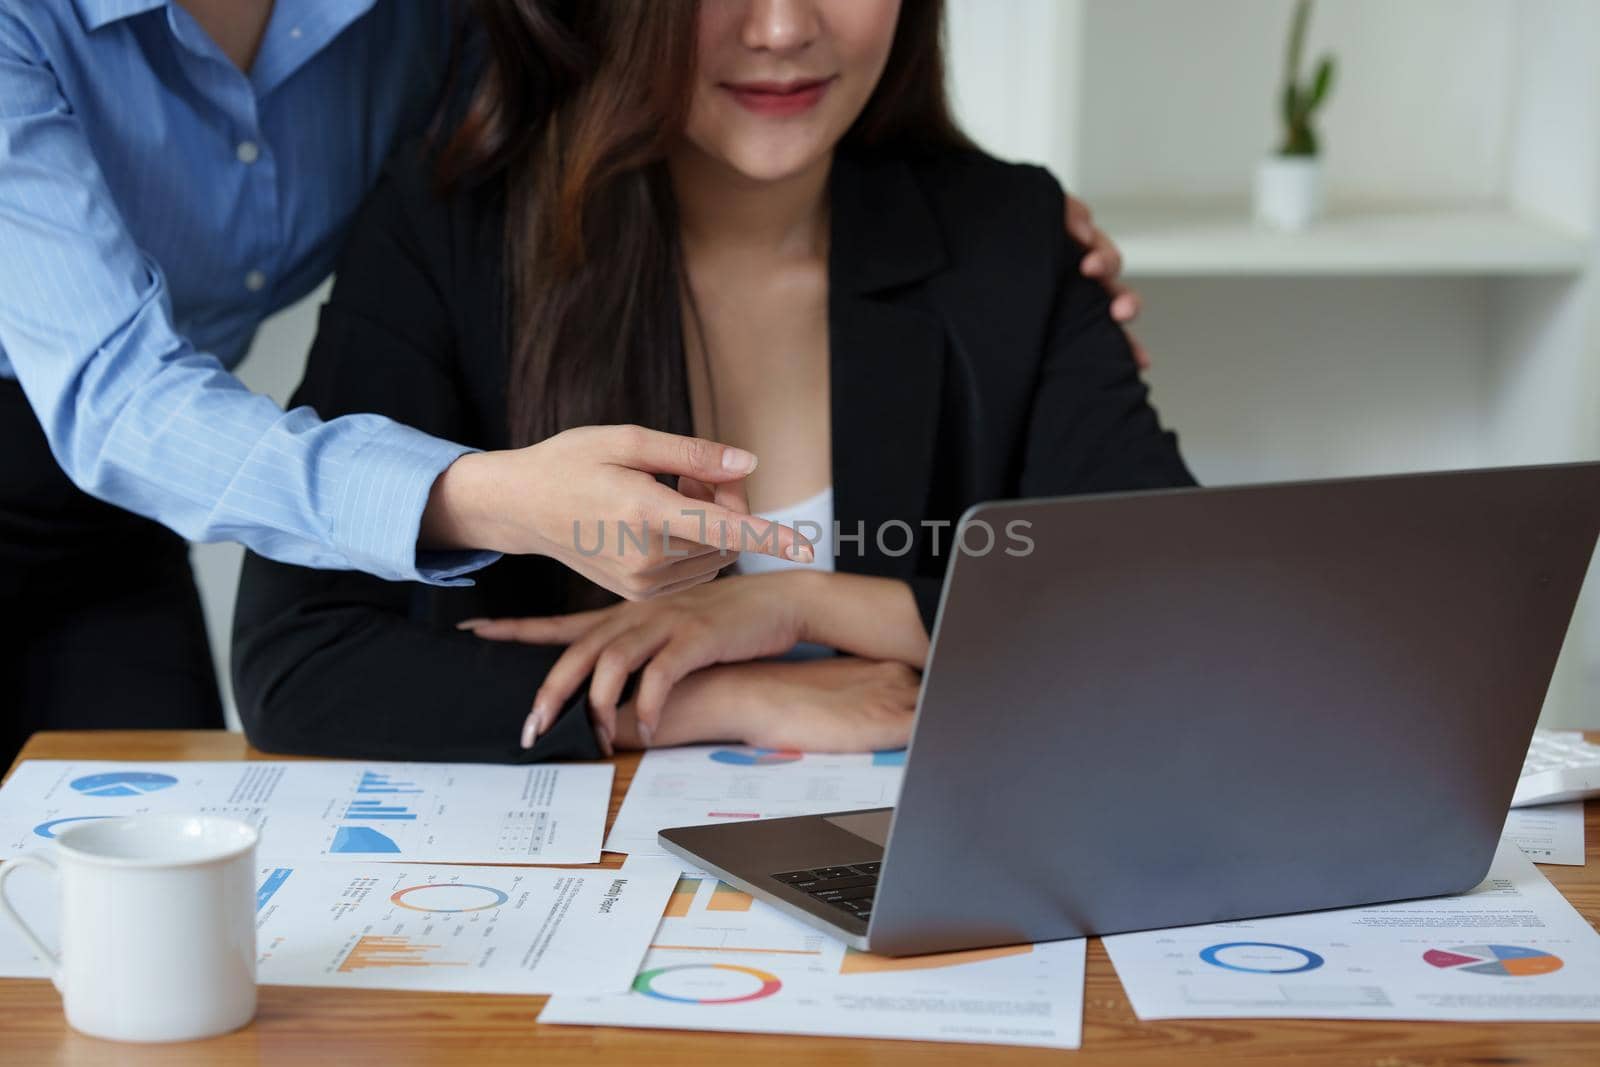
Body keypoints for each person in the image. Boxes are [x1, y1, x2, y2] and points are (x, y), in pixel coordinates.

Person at [0, 0, 1138, 765]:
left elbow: (1163, 588)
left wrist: (795, 603)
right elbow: (294, 649)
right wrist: (697, 694)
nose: (783, 27)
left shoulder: (1006, 234)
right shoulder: (467, 238)